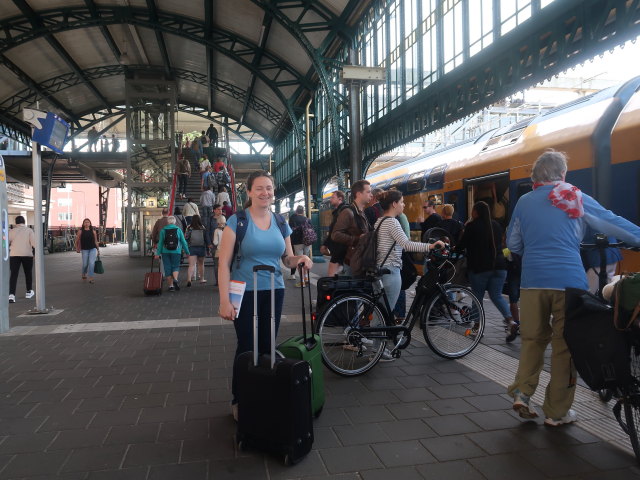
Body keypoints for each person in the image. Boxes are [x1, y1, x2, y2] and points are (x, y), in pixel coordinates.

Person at [506, 150, 640, 426]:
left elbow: (514, 243)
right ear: (562, 174)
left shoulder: (524, 201)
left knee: (532, 340)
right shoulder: (573, 196)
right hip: (569, 283)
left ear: (536, 175)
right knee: (565, 346)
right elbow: (610, 220)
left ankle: (522, 392)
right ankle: (557, 412)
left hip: (532, 283)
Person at [217, 170, 312, 421]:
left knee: (268, 346)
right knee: (248, 346)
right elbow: (223, 263)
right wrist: (224, 301)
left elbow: (286, 259)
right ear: (248, 192)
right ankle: (240, 399)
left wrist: (300, 259)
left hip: (275, 289)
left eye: (269, 188)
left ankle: (263, 394)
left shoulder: (281, 222)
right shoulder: (237, 221)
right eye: (259, 188)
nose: (265, 192)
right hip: (244, 291)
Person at [374, 190, 445, 360]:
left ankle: (376, 345)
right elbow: (406, 244)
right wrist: (431, 246)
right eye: (402, 202)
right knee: (385, 313)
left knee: (380, 311)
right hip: (391, 271)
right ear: (394, 204)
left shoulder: (379, 221)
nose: (404, 205)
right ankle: (377, 350)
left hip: (380, 269)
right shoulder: (392, 222)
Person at [457, 201, 517, 343]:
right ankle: (511, 322)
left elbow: (461, 245)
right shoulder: (496, 225)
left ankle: (477, 328)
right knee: (496, 296)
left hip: (480, 268)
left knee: (477, 298)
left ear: (476, 212)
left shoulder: (472, 226)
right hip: (500, 266)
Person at [332, 180, 373, 275]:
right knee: (353, 288)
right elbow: (335, 235)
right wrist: (357, 239)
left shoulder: (361, 211)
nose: (371, 195)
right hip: (352, 261)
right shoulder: (348, 212)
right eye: (368, 192)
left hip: (359, 259)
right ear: (359, 194)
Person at [155, 216, 190, 292]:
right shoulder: (178, 230)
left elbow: (160, 243)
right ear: (175, 222)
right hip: (176, 251)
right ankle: (176, 279)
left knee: (167, 267)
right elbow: (184, 242)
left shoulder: (163, 230)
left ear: (167, 222)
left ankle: (171, 286)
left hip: (165, 252)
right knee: (175, 266)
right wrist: (187, 252)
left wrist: (157, 253)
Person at [8, 216, 36, 304]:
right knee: (28, 273)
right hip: (27, 254)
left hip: (14, 255)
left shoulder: (11, 231)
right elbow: (34, 243)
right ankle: (29, 292)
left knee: (13, 274)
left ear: (16, 223)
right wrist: (35, 254)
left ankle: (11, 295)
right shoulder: (29, 231)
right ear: (24, 222)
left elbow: (6, 242)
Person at [320, 190, 348, 276]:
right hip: (340, 247)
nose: (330, 199)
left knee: (331, 274)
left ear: (340, 199)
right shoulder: (339, 211)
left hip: (340, 247)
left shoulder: (343, 211)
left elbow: (335, 231)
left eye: (333, 197)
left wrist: (326, 244)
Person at [287, 205, 312, 284]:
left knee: (299, 261)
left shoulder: (293, 218)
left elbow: (289, 230)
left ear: (296, 211)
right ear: (303, 211)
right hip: (307, 242)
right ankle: (306, 278)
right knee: (306, 260)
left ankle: (302, 281)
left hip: (297, 242)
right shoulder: (308, 219)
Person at [185, 215, 210, 287]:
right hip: (201, 247)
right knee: (201, 264)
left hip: (192, 248)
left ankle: (189, 279)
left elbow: (186, 238)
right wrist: (208, 247)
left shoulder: (189, 228)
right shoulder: (202, 227)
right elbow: (206, 238)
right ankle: (202, 279)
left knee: (191, 265)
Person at [75, 218, 100, 283]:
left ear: (90, 223)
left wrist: (98, 249)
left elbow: (95, 241)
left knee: (91, 263)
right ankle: (84, 273)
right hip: (84, 249)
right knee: (85, 264)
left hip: (93, 249)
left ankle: (91, 278)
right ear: (83, 224)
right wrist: (77, 248)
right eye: (85, 222)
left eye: (88, 222)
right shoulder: (80, 231)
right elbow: (77, 241)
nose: (86, 223)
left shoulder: (93, 231)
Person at [212, 218, 225, 286]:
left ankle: (218, 281)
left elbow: (215, 242)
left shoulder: (216, 231)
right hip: (227, 251)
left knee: (217, 267)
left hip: (219, 251)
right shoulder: (228, 229)